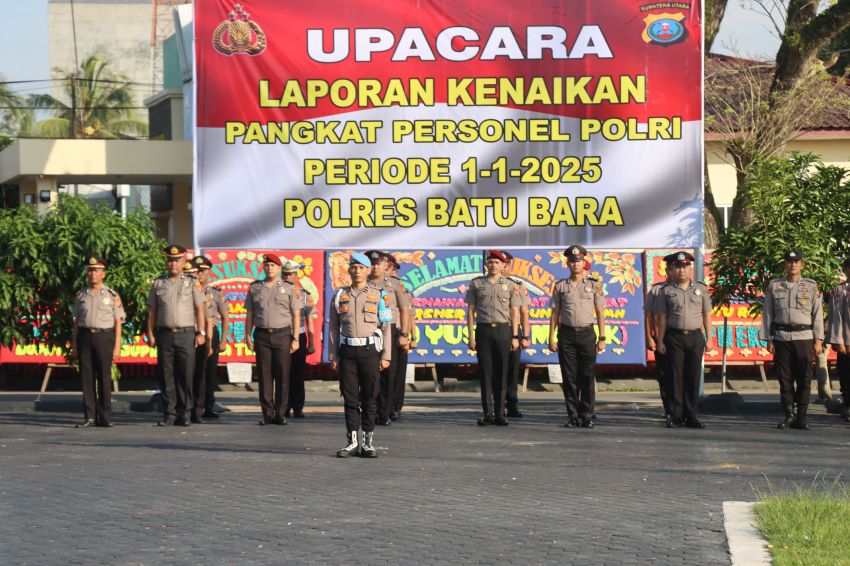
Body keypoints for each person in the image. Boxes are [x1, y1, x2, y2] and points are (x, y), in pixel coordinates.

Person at [328, 252, 391, 458]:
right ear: (349, 270)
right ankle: (352, 442)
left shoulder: (380, 294)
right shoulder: (339, 295)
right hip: (347, 352)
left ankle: (368, 442)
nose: (357, 271)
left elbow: (387, 327)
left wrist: (386, 355)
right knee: (350, 398)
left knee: (370, 397)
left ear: (367, 270)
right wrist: (333, 355)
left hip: (370, 351)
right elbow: (333, 328)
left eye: (361, 268)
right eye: (353, 267)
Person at [761, 250, 824, 430]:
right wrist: (768, 339)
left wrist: (818, 340)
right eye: (789, 262)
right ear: (784, 265)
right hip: (781, 337)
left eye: (796, 262)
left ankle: (802, 415)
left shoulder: (811, 287)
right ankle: (789, 414)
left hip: (804, 337)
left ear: (802, 265)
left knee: (804, 377)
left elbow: (818, 315)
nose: (793, 265)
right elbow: (767, 313)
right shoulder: (775, 286)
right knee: (784, 377)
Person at [146, 244, 206, 426]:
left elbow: (199, 309)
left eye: (177, 260)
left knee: (186, 374)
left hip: (186, 334)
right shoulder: (158, 283)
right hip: (164, 334)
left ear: (183, 261)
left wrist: (201, 332)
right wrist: (150, 333)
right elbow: (152, 311)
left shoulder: (191, 282)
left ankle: (185, 412)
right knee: (166, 375)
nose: (173, 264)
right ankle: (169, 413)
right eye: (170, 260)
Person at [549, 245, 606, 428]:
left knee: (587, 376)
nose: (576, 264)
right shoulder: (560, 286)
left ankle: (586, 415)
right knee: (569, 377)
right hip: (566, 334)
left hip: (587, 334)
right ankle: (573, 416)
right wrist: (552, 337)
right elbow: (555, 313)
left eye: (579, 261)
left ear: (584, 262)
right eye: (572, 261)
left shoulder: (593, 285)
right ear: (568, 263)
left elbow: (600, 312)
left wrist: (602, 337)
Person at [654, 251, 711, 429]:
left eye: (685, 266)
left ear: (690, 268)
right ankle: (675, 415)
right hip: (674, 337)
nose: (681, 270)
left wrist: (709, 338)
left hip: (695, 336)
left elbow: (706, 315)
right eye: (678, 267)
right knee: (675, 377)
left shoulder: (701, 289)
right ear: (673, 269)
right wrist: (660, 341)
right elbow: (662, 317)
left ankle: (691, 415)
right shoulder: (666, 291)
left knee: (693, 377)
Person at [245, 253, 302, 426]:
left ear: (278, 268)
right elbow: (249, 315)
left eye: (273, 265)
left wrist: (296, 338)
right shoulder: (255, 288)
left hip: (283, 334)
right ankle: (267, 413)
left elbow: (296, 314)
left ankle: (281, 413)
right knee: (264, 375)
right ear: (263, 267)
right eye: (267, 265)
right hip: (262, 335)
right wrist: (248, 336)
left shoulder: (289, 288)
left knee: (283, 374)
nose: (269, 268)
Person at [465, 250, 520, 426]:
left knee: (503, 372)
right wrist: (471, 336)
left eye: (497, 262)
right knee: (486, 373)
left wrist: (515, 336)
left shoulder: (511, 285)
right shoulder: (477, 284)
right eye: (491, 262)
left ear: (503, 265)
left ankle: (500, 414)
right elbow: (470, 312)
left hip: (504, 330)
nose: (494, 265)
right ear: (486, 264)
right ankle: (488, 413)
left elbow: (514, 311)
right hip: (483, 330)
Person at [71, 255, 125, 428]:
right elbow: (76, 323)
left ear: (103, 273)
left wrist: (117, 346)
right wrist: (74, 345)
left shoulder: (112, 295)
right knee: (86, 377)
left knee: (104, 376)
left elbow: (118, 323)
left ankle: (105, 416)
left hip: (104, 337)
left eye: (96, 270)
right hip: (85, 337)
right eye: (90, 270)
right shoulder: (81, 295)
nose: (92, 274)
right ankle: (90, 416)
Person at [366, 250, 411, 426]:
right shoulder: (363, 283)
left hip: (389, 329)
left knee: (388, 373)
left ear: (386, 266)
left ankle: (384, 412)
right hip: (368, 329)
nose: (375, 266)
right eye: (372, 263)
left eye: (378, 263)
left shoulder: (394, 284)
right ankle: (371, 410)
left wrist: (404, 334)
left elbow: (404, 309)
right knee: (370, 372)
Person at [191, 255, 229, 422]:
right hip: (191, 333)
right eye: (197, 270)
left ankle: (209, 406)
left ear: (209, 271)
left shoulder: (216, 293)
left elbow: (225, 316)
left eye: (203, 270)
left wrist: (223, 340)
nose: (200, 273)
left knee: (209, 372)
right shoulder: (188, 289)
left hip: (211, 334)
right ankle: (192, 407)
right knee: (193, 372)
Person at [645, 254, 676, 419]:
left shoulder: (687, 288)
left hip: (679, 335)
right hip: (661, 337)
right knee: (664, 374)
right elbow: (648, 315)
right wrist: (649, 338)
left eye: (676, 267)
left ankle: (681, 408)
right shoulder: (657, 289)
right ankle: (669, 409)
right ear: (667, 270)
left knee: (680, 374)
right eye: (671, 268)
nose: (674, 271)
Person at [282, 259, 314, 419]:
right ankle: (283, 407)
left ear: (296, 275)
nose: (288, 277)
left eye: (291, 274)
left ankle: (298, 407)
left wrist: (312, 341)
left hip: (299, 335)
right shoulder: (276, 291)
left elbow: (309, 318)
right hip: (281, 335)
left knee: (298, 373)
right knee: (282, 373)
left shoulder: (303, 294)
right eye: (285, 274)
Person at [387, 253, 415, 420]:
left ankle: (395, 406)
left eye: (394, 270)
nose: (393, 272)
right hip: (379, 330)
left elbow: (409, 314)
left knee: (397, 372)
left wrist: (411, 337)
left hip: (397, 331)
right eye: (391, 269)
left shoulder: (399, 287)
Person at [503, 251, 530, 418]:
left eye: (507, 265)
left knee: (512, 370)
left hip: (513, 330)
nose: (505, 268)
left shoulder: (518, 286)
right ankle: (495, 405)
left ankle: (512, 404)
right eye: (502, 265)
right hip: (495, 329)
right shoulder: (485, 284)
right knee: (495, 371)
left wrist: (525, 336)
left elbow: (524, 312)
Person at [828, 257, 850, 423]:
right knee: (846, 374)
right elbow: (837, 317)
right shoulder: (840, 290)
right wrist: (839, 340)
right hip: (847, 341)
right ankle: (848, 404)